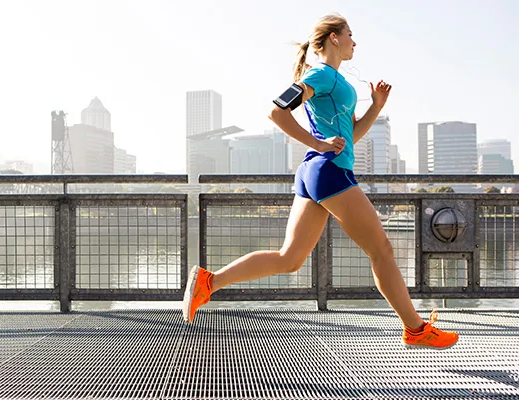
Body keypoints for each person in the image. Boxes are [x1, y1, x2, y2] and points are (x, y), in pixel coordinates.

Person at [183, 13, 458, 349]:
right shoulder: (321, 75)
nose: (355, 42)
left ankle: (209, 283)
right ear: (333, 39)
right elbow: (276, 111)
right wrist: (319, 144)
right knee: (382, 250)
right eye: (350, 34)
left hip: (317, 172)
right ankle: (415, 329)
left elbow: (351, 136)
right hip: (329, 171)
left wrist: (376, 106)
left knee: (290, 259)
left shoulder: (336, 83)